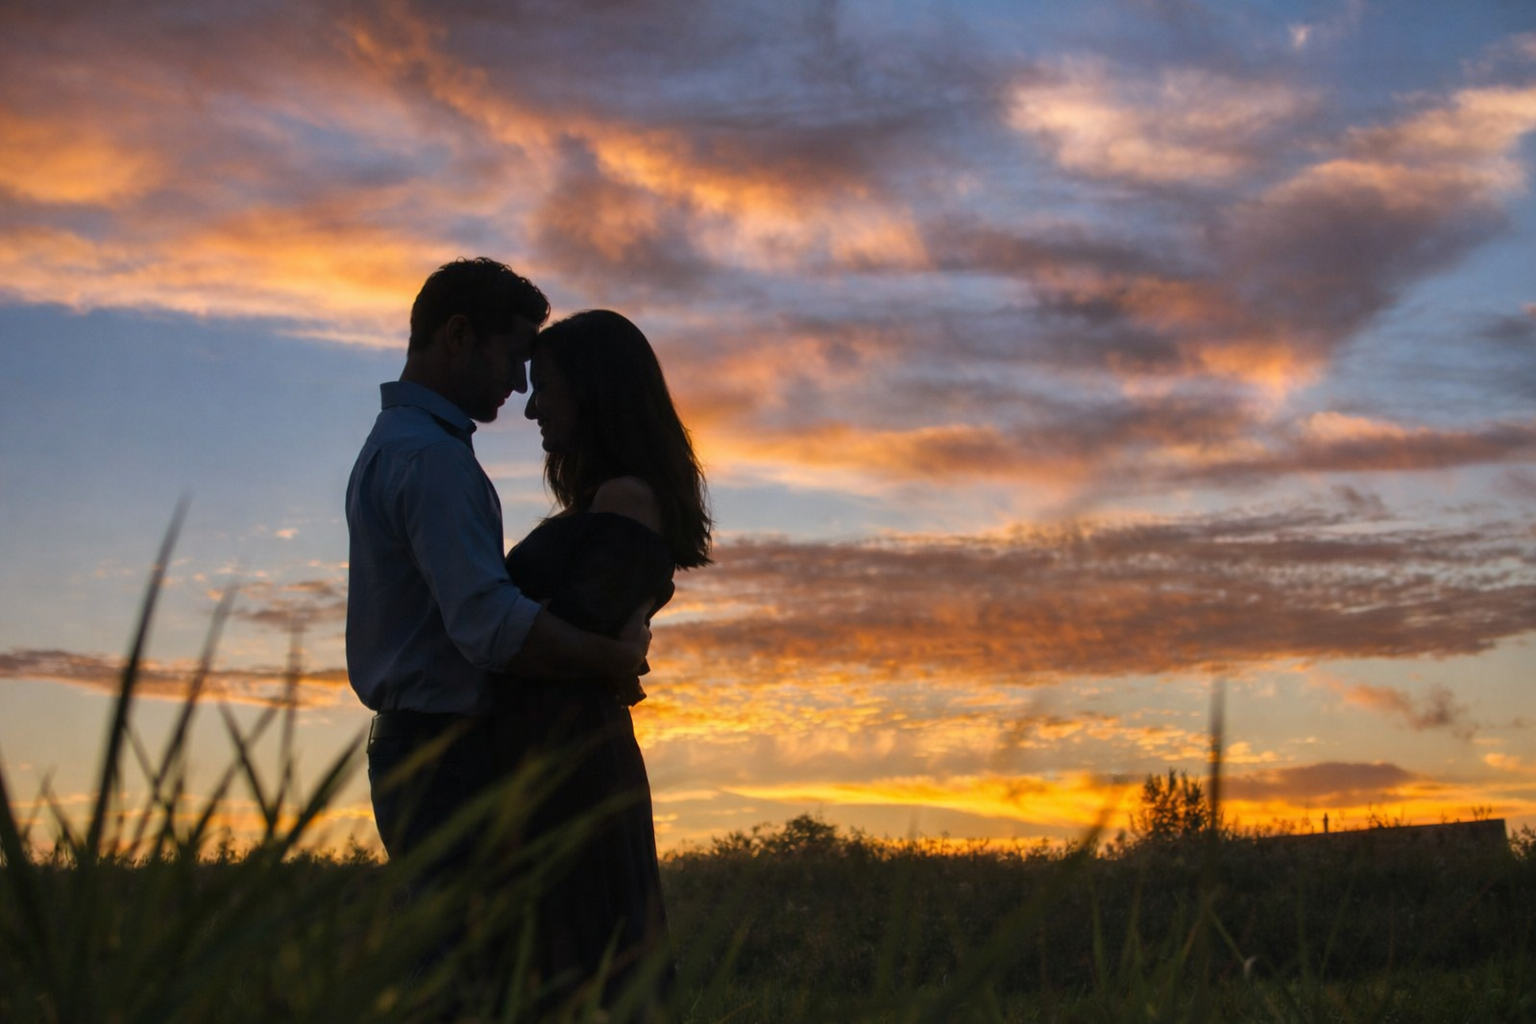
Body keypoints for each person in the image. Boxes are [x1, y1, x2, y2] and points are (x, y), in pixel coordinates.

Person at [344, 260, 653, 982]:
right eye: (515, 356)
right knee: (475, 976)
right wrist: (610, 660)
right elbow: (488, 625)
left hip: (428, 745)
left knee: (476, 968)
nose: (519, 386)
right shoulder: (428, 458)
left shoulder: (408, 446)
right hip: (443, 750)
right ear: (458, 336)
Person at [494, 309, 712, 1011]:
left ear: (594, 390)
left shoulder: (625, 501)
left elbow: (560, 637)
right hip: (565, 753)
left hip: (573, 761)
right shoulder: (605, 501)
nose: (531, 408)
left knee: (578, 960)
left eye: (545, 387)